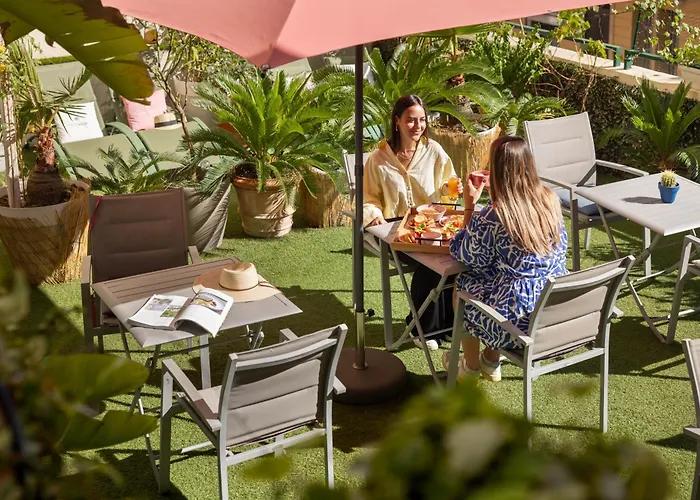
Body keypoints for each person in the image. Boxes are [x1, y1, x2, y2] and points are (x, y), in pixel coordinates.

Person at [444, 135, 568, 381]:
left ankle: (470, 367)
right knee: (501, 279)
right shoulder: (550, 199)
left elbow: (464, 253)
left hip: (516, 324)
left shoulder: (495, 213)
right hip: (555, 312)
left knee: (463, 284)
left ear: (497, 170)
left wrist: (470, 206)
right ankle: (490, 361)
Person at [363, 94, 462, 350]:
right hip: (392, 230)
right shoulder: (377, 159)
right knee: (430, 265)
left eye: (422, 120)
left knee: (455, 257)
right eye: (410, 120)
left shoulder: (434, 151)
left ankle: (446, 325)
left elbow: (447, 184)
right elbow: (366, 199)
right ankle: (421, 329)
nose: (417, 126)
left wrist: (451, 188)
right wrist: (373, 214)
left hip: (430, 226)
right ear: (397, 121)